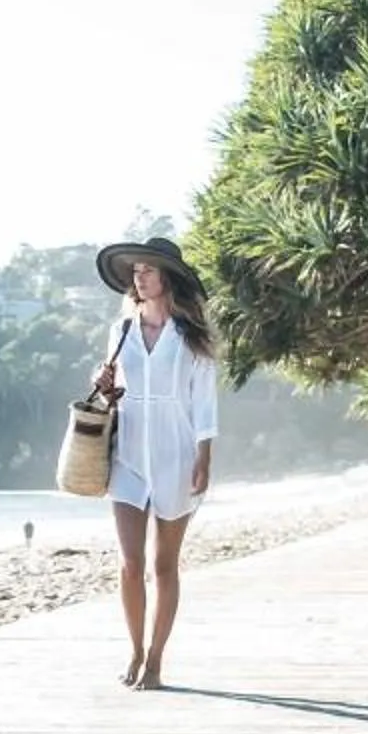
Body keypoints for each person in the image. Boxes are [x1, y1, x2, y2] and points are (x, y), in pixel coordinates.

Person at [88, 235, 219, 690]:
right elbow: (114, 391)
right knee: (129, 563)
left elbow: (203, 402)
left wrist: (204, 457)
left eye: (147, 271)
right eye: (135, 272)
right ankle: (135, 650)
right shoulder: (120, 330)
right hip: (128, 455)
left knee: (164, 565)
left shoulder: (190, 337)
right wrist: (103, 384)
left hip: (175, 454)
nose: (138, 278)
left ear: (167, 279)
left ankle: (157, 661)